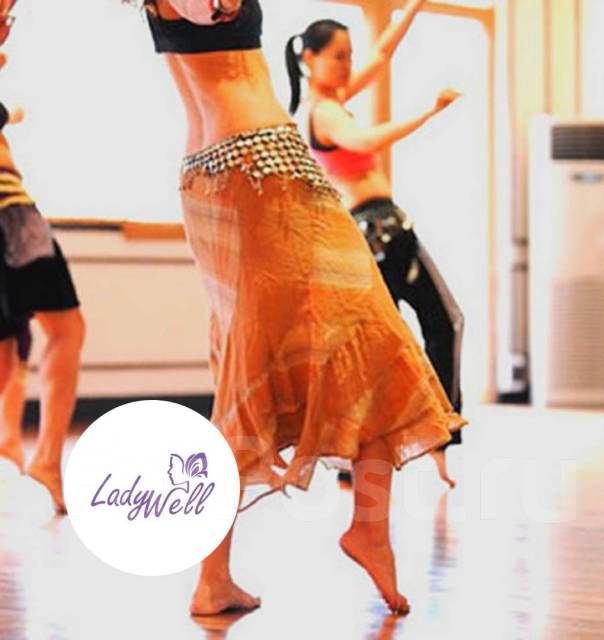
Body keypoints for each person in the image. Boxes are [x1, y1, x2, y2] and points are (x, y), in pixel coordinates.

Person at [130, 0, 465, 615]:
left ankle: (221, 576)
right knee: (370, 334)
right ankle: (361, 531)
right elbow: (214, 9)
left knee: (281, 359)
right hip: (259, 171)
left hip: (223, 175)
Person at [286, 5, 464, 488]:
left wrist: (415, 6)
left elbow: (383, 53)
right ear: (309, 59)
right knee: (431, 326)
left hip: (377, 231)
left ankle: (409, 445)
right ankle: (419, 440)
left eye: (349, 55)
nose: (347, 65)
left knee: (392, 339)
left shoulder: (334, 99)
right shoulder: (322, 112)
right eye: (337, 56)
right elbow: (363, 140)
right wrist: (430, 112)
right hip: (378, 232)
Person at [0, 13, 85, 515]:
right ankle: (47, 460)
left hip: (12, 210)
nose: (6, 27)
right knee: (63, 330)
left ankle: (40, 457)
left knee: (13, 350)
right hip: (10, 212)